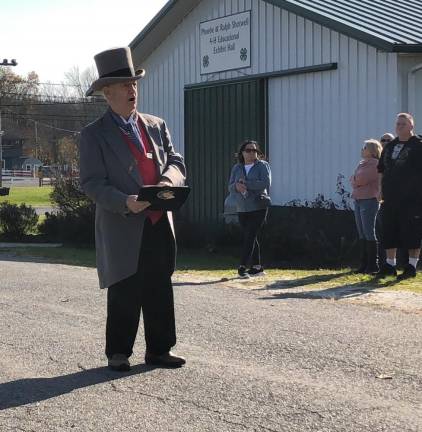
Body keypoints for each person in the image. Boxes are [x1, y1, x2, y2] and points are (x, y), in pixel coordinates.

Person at [79, 47, 187, 371]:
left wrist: (169, 179)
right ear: (107, 93)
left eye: (134, 84)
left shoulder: (156, 125)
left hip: (158, 221)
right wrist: (124, 201)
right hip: (122, 223)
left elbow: (176, 161)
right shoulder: (93, 135)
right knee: (125, 287)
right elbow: (92, 183)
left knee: (159, 286)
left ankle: (159, 350)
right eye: (125, 86)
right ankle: (118, 352)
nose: (132, 90)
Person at [377, 113, 422, 280]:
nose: (399, 126)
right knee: (389, 229)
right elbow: (381, 169)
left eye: (403, 124)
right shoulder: (390, 146)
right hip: (390, 197)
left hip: (413, 199)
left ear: (411, 126)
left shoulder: (418, 145)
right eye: (397, 124)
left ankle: (411, 265)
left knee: (412, 231)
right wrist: (379, 189)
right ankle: (390, 264)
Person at [227, 140, 271, 278]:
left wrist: (246, 184)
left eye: (255, 150)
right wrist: (236, 187)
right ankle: (257, 267)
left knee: (250, 236)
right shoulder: (237, 168)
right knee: (250, 236)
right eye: (248, 150)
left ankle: (242, 267)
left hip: (258, 206)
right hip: (242, 208)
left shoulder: (262, 166)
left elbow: (265, 183)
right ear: (242, 153)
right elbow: (230, 186)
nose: (252, 153)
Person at [350, 139, 383, 274]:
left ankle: (372, 265)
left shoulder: (375, 164)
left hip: (369, 200)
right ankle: (363, 264)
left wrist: (355, 180)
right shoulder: (362, 164)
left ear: (372, 150)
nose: (362, 149)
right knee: (362, 232)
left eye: (365, 147)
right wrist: (355, 181)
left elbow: (360, 180)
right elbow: (353, 180)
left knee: (369, 232)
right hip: (358, 199)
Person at [376, 132, 395, 267]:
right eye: (383, 140)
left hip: (396, 199)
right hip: (380, 199)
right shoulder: (378, 158)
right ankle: (383, 263)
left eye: (389, 140)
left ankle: (400, 263)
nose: (386, 142)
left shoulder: (395, 158)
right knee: (381, 231)